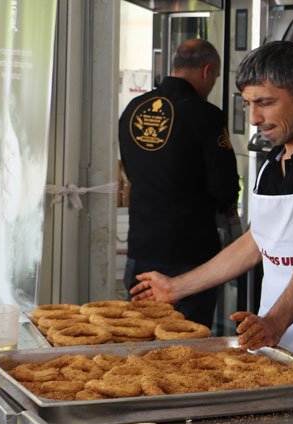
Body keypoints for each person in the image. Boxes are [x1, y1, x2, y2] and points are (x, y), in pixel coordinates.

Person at [130, 41, 293, 361]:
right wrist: (176, 288)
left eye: (265, 102)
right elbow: (255, 244)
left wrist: (275, 322)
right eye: (248, 104)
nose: (254, 118)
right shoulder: (272, 164)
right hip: (274, 341)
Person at [118, 39, 240, 328]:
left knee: (138, 336)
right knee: (186, 347)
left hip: (141, 249)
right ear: (208, 70)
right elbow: (223, 187)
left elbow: (131, 169)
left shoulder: (134, 109)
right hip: (189, 256)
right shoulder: (206, 116)